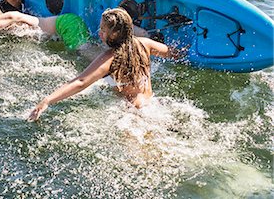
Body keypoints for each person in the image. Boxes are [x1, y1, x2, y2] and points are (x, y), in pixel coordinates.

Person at [28, 8, 184, 122]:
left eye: (103, 29)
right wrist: (183, 53)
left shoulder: (109, 58)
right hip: (153, 106)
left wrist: (47, 101)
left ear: (115, 33)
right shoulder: (145, 44)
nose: (99, 32)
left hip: (134, 114)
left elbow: (81, 82)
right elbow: (172, 53)